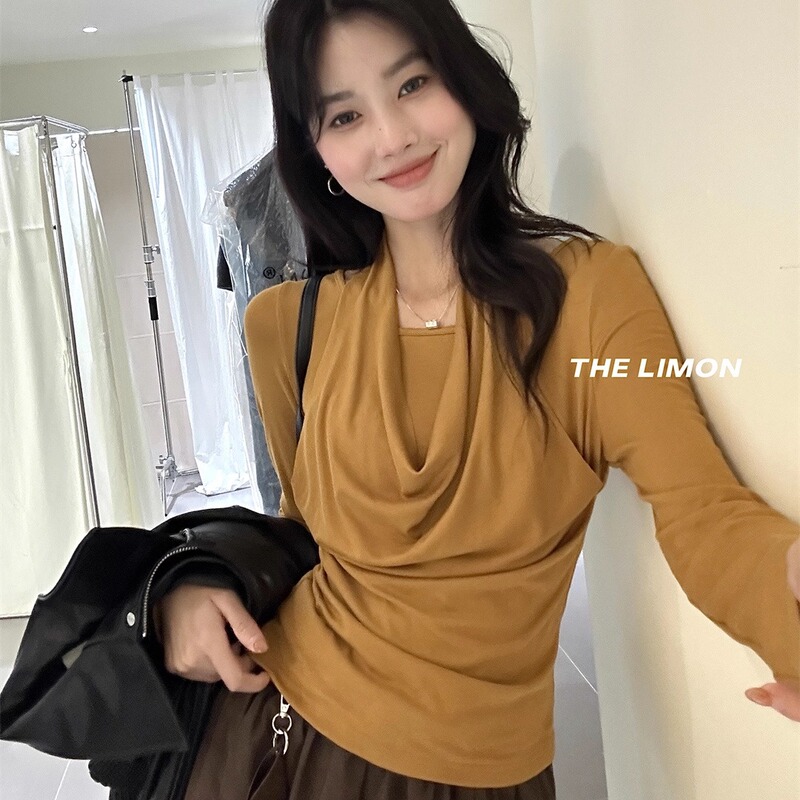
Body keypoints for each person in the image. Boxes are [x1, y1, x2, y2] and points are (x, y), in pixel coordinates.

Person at [155, 1, 800, 797]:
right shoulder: (286, 322)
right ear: (316, 149)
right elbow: (303, 530)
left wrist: (787, 595)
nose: (392, 136)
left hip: (487, 770)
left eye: (412, 84)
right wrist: (189, 590)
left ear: (464, 82)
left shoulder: (587, 298)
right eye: (346, 115)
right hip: (275, 740)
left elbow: (705, 514)